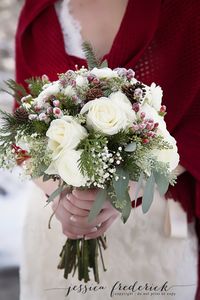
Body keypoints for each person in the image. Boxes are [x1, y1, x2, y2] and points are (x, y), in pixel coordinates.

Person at [15, 0, 200, 299]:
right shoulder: (40, 12)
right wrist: (60, 199)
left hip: (148, 226)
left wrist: (129, 191)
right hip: (53, 224)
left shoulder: (184, 10)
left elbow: (196, 126)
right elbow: (21, 133)